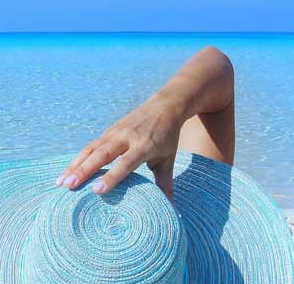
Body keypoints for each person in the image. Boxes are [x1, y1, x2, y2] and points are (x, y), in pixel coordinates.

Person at [54, 46, 235, 199]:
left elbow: (216, 62)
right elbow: (217, 63)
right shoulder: (198, 208)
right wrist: (166, 109)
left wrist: (163, 109)